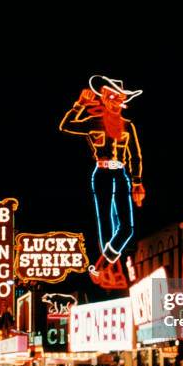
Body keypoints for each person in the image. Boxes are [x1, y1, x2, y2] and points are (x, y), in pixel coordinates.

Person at [59, 76, 145, 279]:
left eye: (119, 97)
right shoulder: (93, 122)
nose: (115, 101)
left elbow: (135, 155)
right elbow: (66, 125)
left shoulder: (128, 126)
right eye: (111, 96)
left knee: (126, 227)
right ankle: (106, 270)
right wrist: (79, 104)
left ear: (123, 100)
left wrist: (137, 181)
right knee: (105, 222)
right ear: (104, 98)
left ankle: (104, 263)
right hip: (102, 174)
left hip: (121, 174)